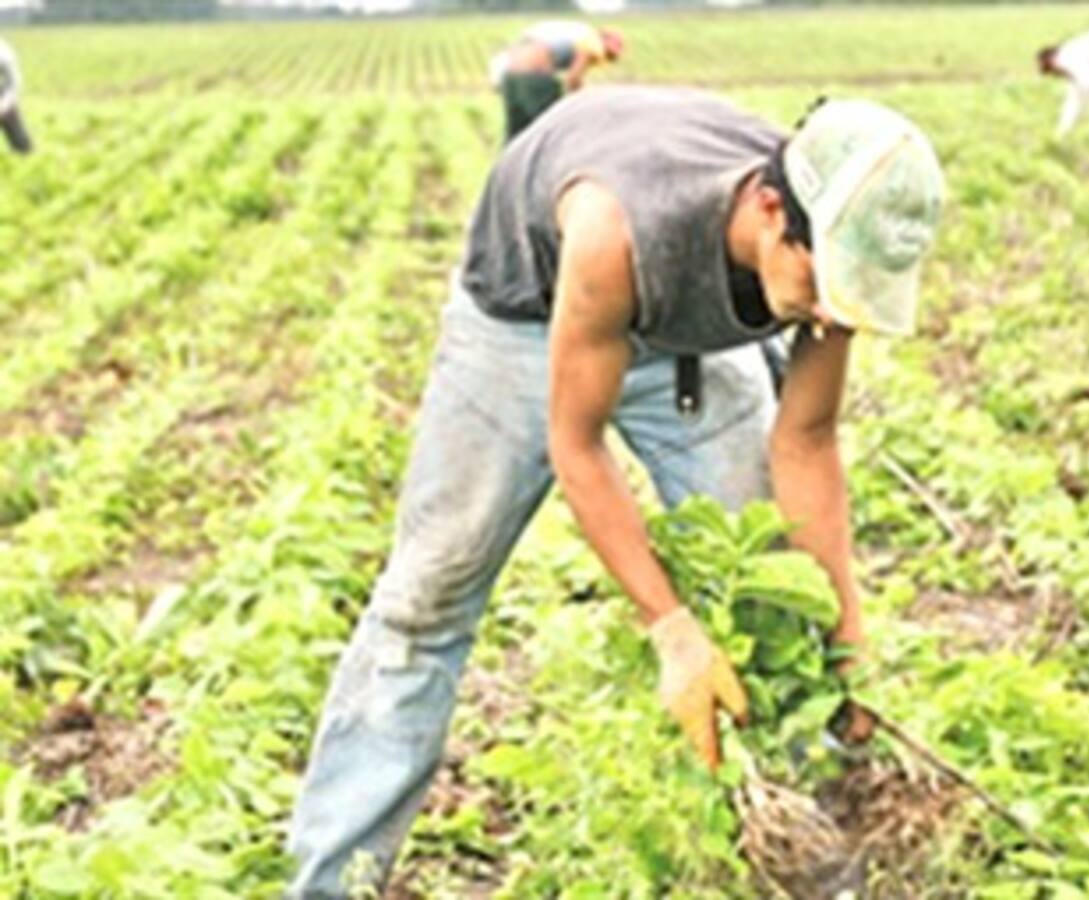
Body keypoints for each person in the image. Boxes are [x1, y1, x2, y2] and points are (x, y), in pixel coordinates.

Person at [285, 86, 944, 898]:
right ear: (771, 211)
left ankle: (813, 867)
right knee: (428, 598)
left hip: (689, 338)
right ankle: (328, 884)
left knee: (769, 593)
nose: (829, 308)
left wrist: (847, 647)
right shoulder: (615, 225)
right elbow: (577, 445)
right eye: (823, 282)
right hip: (526, 323)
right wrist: (672, 631)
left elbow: (806, 443)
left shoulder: (832, 234)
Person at [489, 20, 625, 142]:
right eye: (609, 55)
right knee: (551, 131)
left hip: (511, 78)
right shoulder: (593, 42)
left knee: (516, 136)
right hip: (535, 78)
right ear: (604, 42)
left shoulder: (574, 31)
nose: (603, 59)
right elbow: (573, 79)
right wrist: (584, 102)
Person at [0, 37, 32, 154]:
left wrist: (3, 106)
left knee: (22, 144)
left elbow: (14, 84)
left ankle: (23, 153)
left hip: (2, 96)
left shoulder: (3, 52)